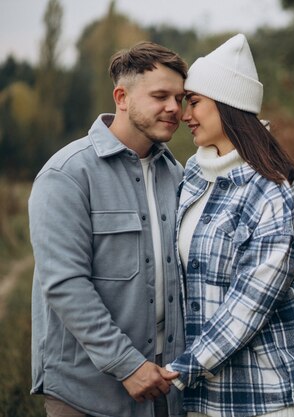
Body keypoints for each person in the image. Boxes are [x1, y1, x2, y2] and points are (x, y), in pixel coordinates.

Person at [165, 34, 294, 417]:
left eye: (195, 102)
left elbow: (250, 303)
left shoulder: (273, 191)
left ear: (228, 106)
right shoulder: (194, 177)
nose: (186, 114)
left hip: (267, 396)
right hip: (205, 396)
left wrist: (181, 369)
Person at [29, 41, 188, 417]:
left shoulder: (178, 176)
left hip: (163, 385)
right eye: (160, 96)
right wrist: (127, 364)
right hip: (86, 391)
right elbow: (65, 284)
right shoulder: (67, 174)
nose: (174, 109)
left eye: (180, 98)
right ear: (122, 97)